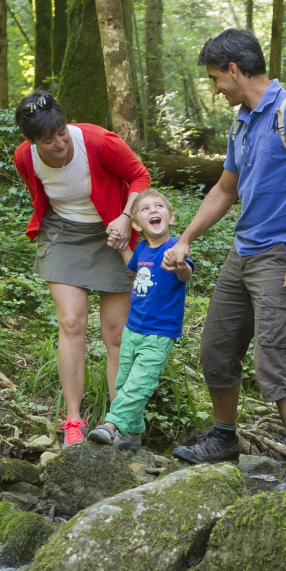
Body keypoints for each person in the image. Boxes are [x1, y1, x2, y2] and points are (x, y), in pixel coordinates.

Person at [162, 28, 286, 490]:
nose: (216, 89)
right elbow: (225, 189)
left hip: (281, 255)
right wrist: (185, 238)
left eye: (216, 79)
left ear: (235, 70)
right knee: (216, 350)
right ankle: (224, 438)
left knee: (273, 357)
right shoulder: (242, 120)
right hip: (243, 252)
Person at [12, 91, 152, 449]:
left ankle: (121, 420)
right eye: (48, 140)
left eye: (61, 133)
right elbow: (38, 192)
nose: (59, 143)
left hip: (113, 231)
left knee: (115, 333)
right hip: (64, 235)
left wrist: (125, 218)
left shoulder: (97, 141)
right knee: (72, 322)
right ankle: (72, 422)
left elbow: (140, 177)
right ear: (32, 142)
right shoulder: (24, 158)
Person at [87, 189, 193, 451]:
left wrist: (180, 266)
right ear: (136, 224)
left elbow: (186, 274)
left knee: (138, 384)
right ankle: (133, 435)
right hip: (132, 329)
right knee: (123, 382)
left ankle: (111, 425)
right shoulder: (143, 248)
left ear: (171, 217)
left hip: (160, 332)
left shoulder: (175, 247)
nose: (153, 211)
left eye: (159, 206)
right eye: (145, 209)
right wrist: (123, 247)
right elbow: (133, 267)